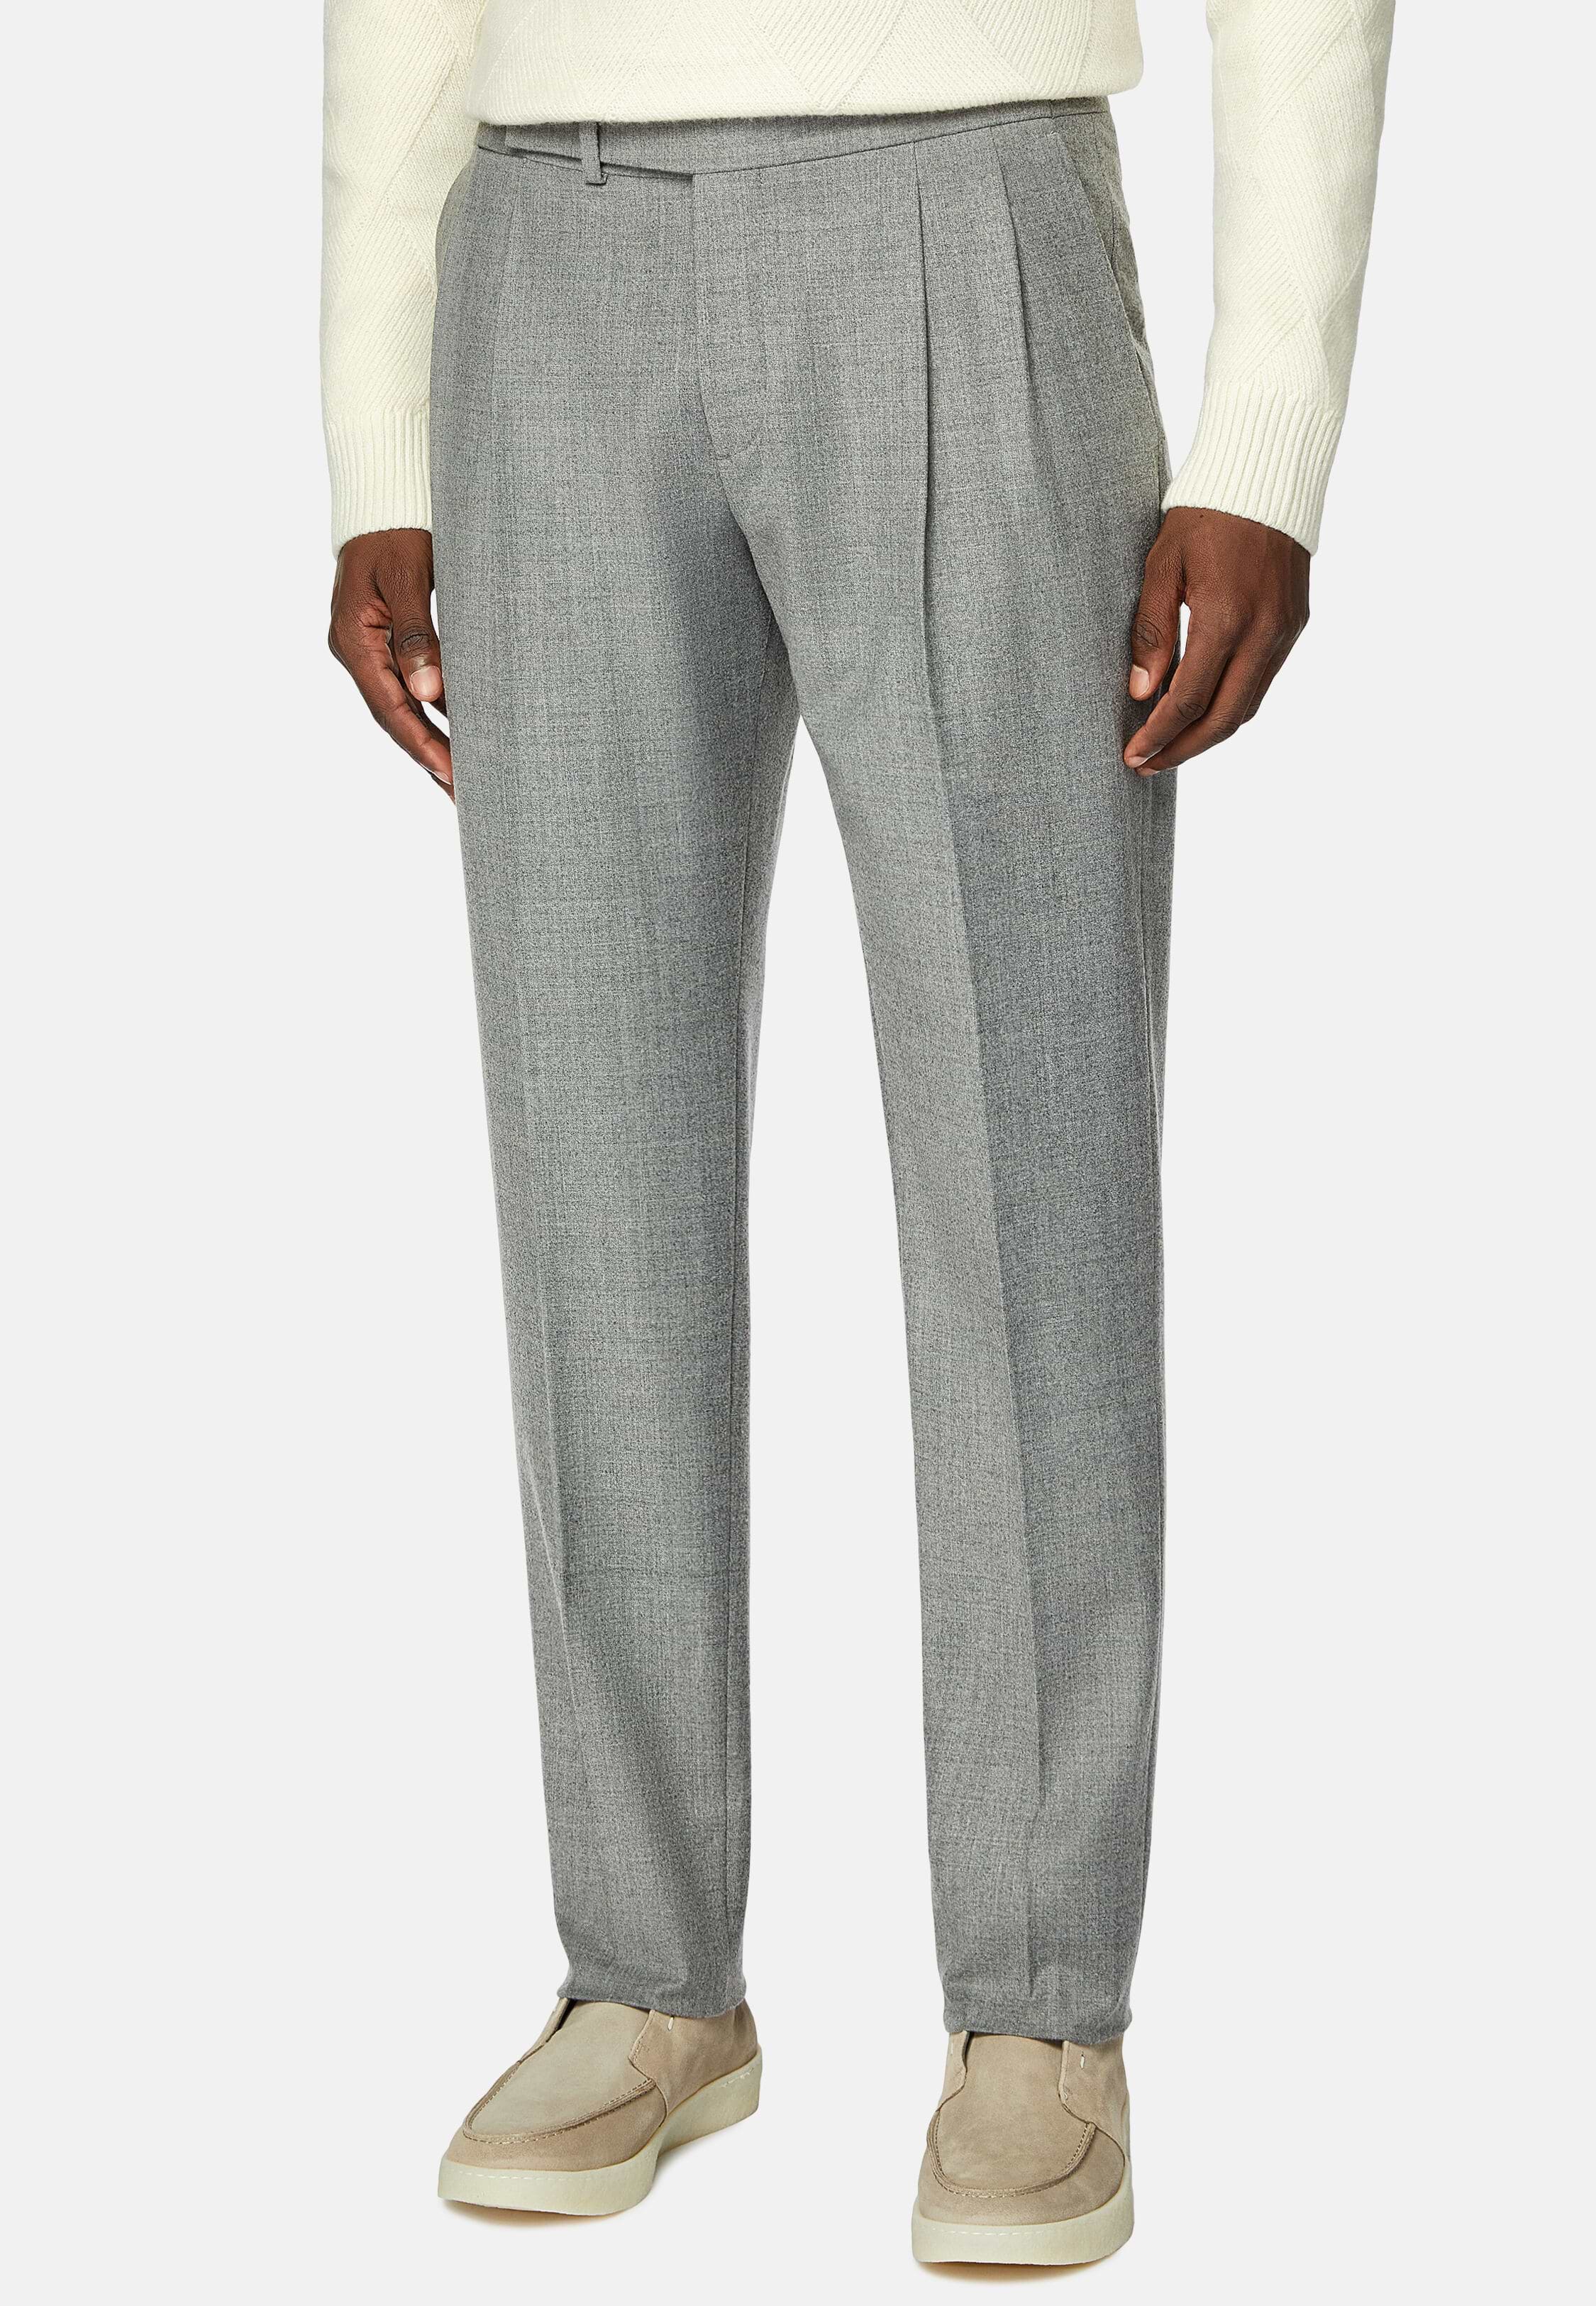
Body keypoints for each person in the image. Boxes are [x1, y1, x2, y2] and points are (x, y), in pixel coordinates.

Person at [322, 1, 1392, 2267]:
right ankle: (646, 1975)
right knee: (589, 1173)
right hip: (543, 250)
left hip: (960, 207)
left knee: (1030, 1164)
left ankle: (1038, 2011)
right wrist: (371, 437)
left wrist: (1267, 426)